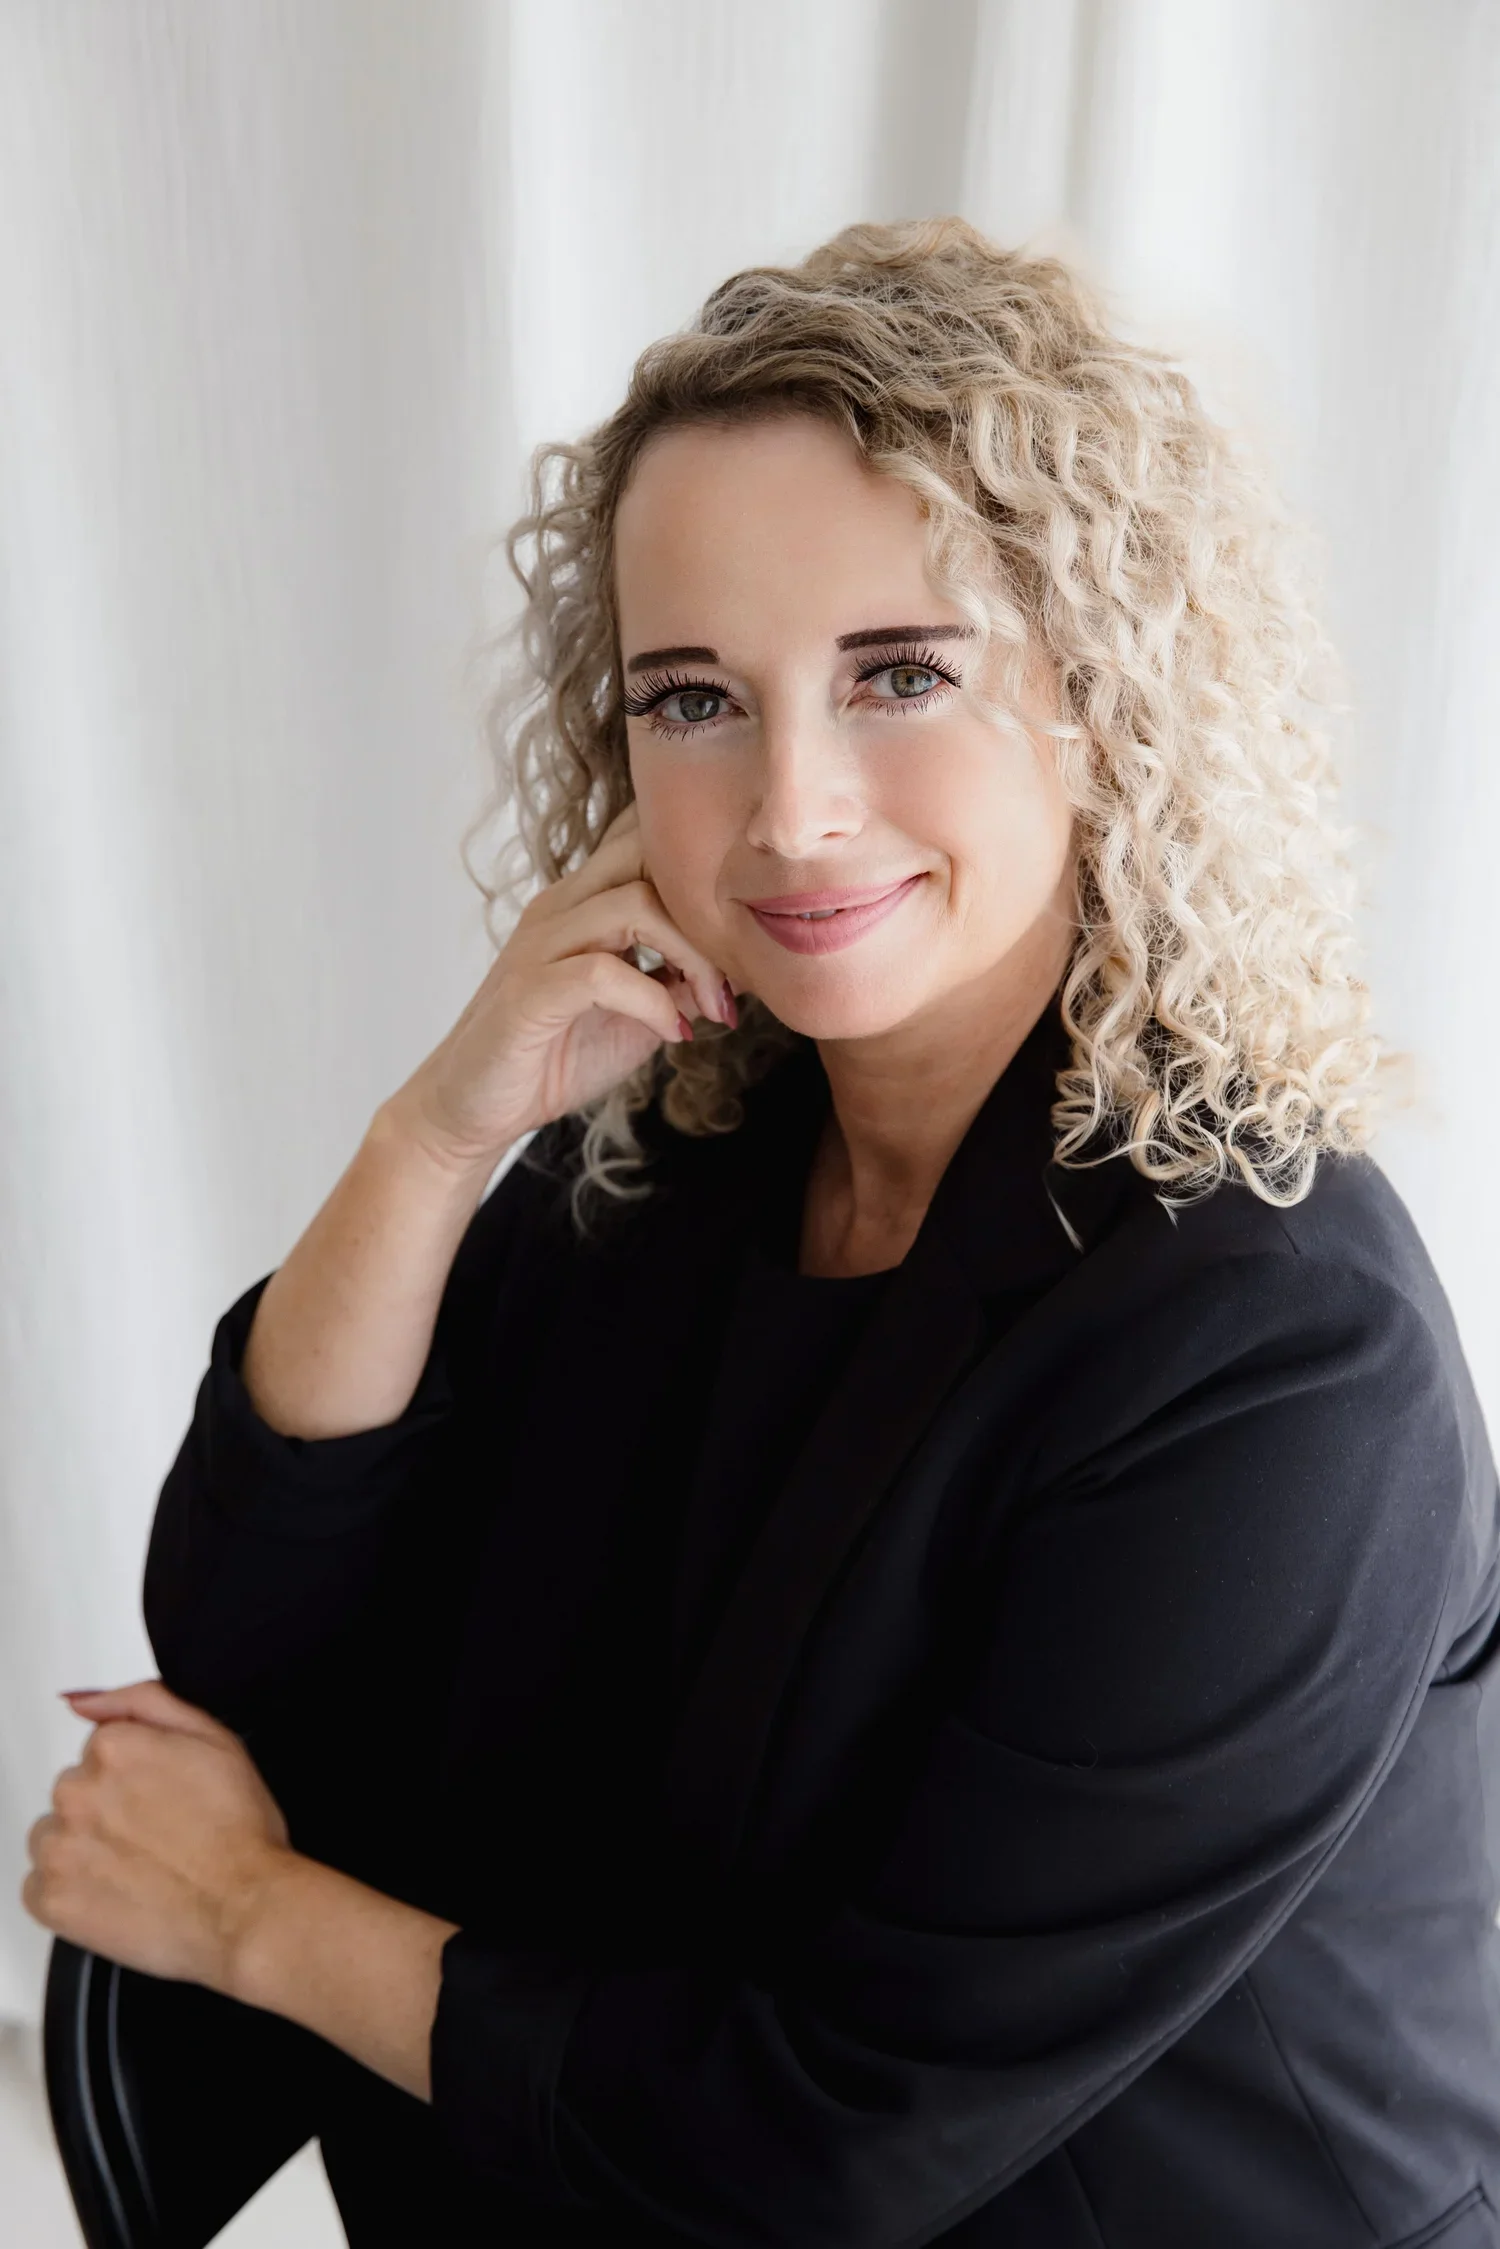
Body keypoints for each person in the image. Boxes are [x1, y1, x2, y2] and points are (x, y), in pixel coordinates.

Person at [23, 218, 1500, 2249]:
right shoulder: (689, 1164)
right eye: (695, 698)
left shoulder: (1277, 1353)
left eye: (900, 673)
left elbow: (830, 2139)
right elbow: (261, 1635)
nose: (792, 806)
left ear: (1100, 688)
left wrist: (255, 1918)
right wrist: (437, 1131)